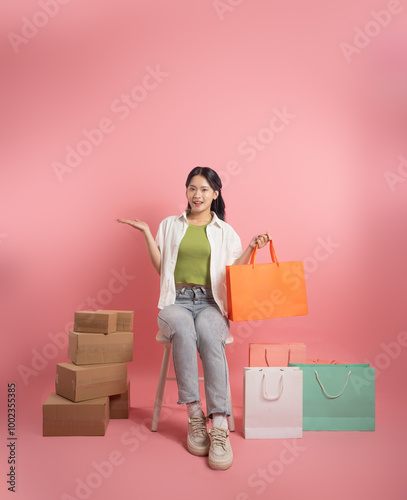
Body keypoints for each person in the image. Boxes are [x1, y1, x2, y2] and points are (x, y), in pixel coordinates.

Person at [117, 166, 270, 470]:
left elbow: (233, 272)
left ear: (215, 194)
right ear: (186, 192)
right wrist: (148, 233)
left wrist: (252, 247)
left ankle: (220, 426)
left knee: (210, 335)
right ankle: (195, 415)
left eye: (203, 189)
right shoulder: (170, 226)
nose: (197, 195)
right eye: (192, 188)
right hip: (176, 302)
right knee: (184, 331)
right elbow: (163, 269)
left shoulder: (226, 232)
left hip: (212, 303)